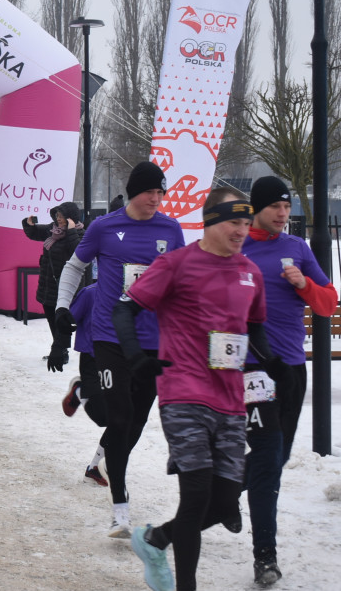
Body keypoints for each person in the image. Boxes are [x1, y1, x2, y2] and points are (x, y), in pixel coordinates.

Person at [112, 189, 287, 591]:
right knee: (195, 496)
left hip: (230, 399)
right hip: (183, 391)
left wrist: (272, 360)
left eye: (247, 223)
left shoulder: (250, 272)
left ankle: (157, 539)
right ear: (210, 222)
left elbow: (254, 326)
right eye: (234, 223)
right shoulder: (177, 263)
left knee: (225, 503)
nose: (242, 231)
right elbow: (125, 307)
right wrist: (136, 357)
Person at [54, 161, 186, 537]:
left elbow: (182, 279)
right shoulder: (104, 227)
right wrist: (64, 306)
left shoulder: (170, 229)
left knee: (138, 420)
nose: (156, 200)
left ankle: (111, 459)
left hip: (153, 340)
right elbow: (73, 267)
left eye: (161, 193)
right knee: (119, 417)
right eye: (150, 193)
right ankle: (120, 508)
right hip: (110, 337)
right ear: (133, 192)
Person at [240, 176, 337, 585]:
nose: (284, 214)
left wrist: (305, 284)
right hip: (252, 370)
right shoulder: (237, 245)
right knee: (266, 460)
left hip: (293, 369)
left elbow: (329, 303)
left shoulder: (297, 249)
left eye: (287, 207)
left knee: (274, 462)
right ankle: (266, 557)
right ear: (258, 208)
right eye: (276, 207)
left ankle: (208, 500)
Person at [22, 201, 85, 371]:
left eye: (61, 216)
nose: (58, 219)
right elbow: (35, 233)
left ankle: (61, 349)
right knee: (51, 318)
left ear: (71, 218)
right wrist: (28, 224)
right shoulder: (52, 230)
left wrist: (71, 231)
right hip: (48, 283)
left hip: (65, 286)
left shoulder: (80, 233)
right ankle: (60, 348)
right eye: (57, 215)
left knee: (62, 319)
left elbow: (78, 252)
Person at [62, 283, 110, 487]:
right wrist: (59, 345)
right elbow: (69, 318)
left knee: (119, 420)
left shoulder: (135, 290)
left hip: (120, 360)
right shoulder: (91, 292)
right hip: (92, 357)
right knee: (103, 418)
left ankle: (95, 468)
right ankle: (80, 390)